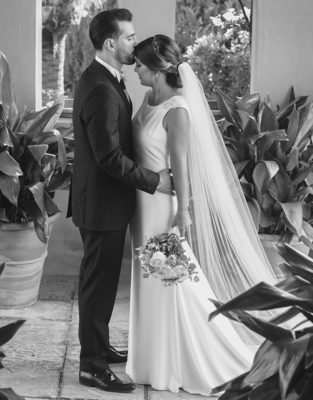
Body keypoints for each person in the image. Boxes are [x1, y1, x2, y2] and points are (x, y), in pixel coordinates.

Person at [126, 34, 278, 395]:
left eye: (140, 65)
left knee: (173, 283)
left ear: (158, 69)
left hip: (162, 209)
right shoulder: (148, 99)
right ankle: (153, 360)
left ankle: (203, 357)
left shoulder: (177, 110)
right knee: (151, 283)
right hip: (141, 204)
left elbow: (181, 165)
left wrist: (184, 212)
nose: (135, 70)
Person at [68, 10, 172, 393]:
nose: (134, 43)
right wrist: (155, 181)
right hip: (102, 205)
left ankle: (99, 347)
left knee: (103, 283)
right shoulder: (100, 87)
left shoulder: (107, 78)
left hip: (105, 202)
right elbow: (109, 157)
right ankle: (91, 367)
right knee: (98, 286)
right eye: (129, 37)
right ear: (111, 43)